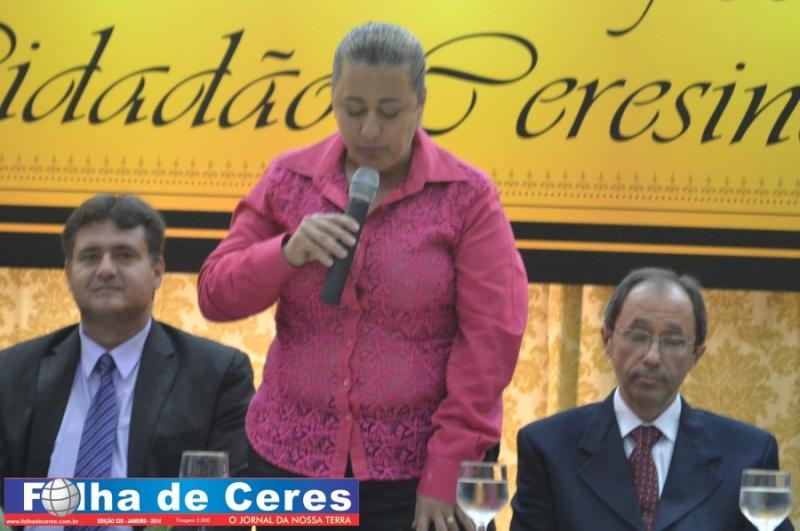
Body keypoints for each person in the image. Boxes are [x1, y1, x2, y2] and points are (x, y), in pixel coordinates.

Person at [197, 21, 528, 531]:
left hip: (415, 475)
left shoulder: (466, 195)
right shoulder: (290, 178)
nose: (370, 130)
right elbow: (215, 294)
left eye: (389, 112)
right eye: (353, 110)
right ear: (333, 99)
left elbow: (491, 342)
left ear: (420, 104)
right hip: (287, 461)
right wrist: (286, 253)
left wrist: (446, 469)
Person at [0, 194, 254, 523]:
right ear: (68, 273)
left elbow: (227, 507)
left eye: (124, 255)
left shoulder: (216, 376)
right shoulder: (12, 371)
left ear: (157, 271)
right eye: (90, 256)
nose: (106, 269)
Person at [510, 267, 794, 531]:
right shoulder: (548, 448)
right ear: (607, 341)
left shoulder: (748, 454)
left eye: (672, 341)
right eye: (638, 336)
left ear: (697, 355)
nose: (652, 357)